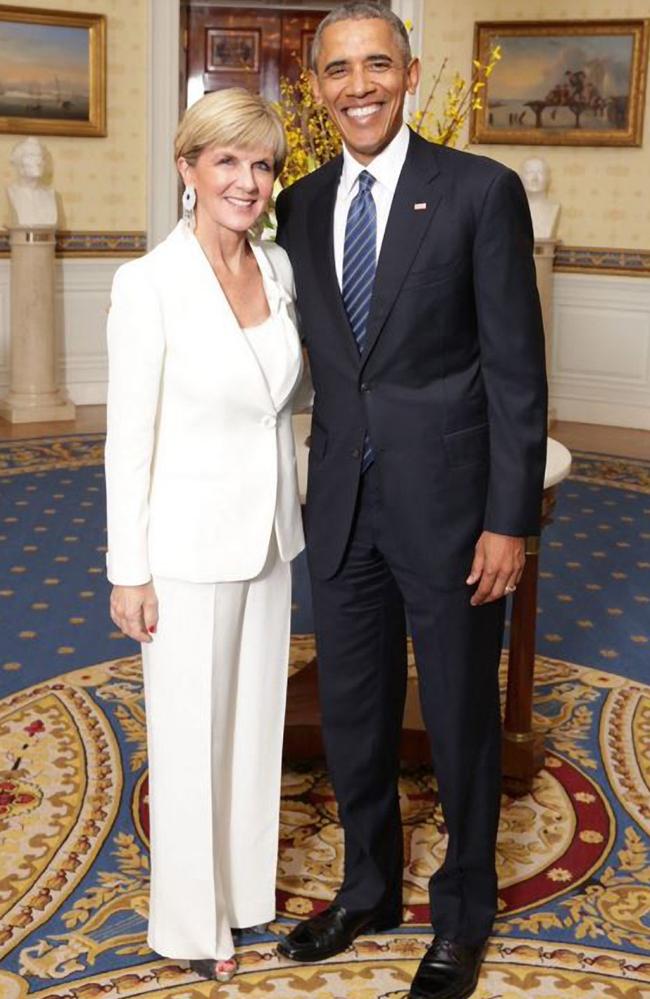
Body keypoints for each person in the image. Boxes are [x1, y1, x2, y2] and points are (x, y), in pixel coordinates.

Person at [275, 5, 547, 999]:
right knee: (353, 713)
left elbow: (515, 372)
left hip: (451, 512)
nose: (357, 85)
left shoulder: (478, 192)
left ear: (411, 72)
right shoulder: (299, 205)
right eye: (338, 69)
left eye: (375, 64)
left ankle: (463, 912)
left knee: (464, 720)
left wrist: (507, 517)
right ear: (316, 85)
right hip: (339, 505)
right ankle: (369, 889)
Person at [104, 88, 305, 984]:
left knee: (254, 725)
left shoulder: (280, 266)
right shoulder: (147, 283)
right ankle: (192, 924)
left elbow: (282, 400)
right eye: (226, 160)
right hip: (183, 547)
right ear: (187, 169)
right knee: (189, 734)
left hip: (269, 535)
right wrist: (128, 569)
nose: (247, 180)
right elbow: (126, 438)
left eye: (261, 163)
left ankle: (243, 894)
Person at [7, 136, 57, 227]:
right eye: (31, 156)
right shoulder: (11, 193)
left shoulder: (50, 195)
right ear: (19, 162)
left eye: (40, 156)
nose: (38, 161)